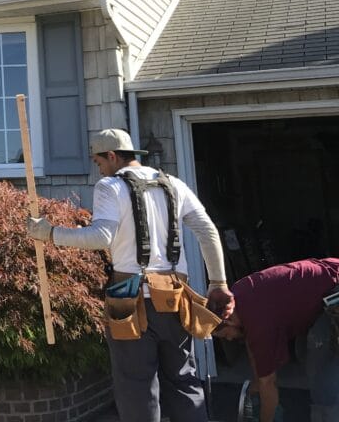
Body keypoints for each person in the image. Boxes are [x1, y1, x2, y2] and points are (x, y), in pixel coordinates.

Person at [27, 128, 234, 422]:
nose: (99, 170)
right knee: (182, 379)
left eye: (99, 163)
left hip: (129, 294)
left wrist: (49, 233)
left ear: (112, 156)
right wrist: (218, 283)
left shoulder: (110, 187)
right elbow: (207, 230)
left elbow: (101, 236)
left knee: (136, 386)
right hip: (175, 295)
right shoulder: (173, 183)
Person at [214, 258, 339, 422]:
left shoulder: (258, 322)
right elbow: (254, 349)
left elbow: (269, 384)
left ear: (228, 320)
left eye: (225, 335)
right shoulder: (237, 295)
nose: (229, 339)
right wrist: (256, 382)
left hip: (334, 297)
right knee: (304, 353)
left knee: (321, 370)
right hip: (329, 279)